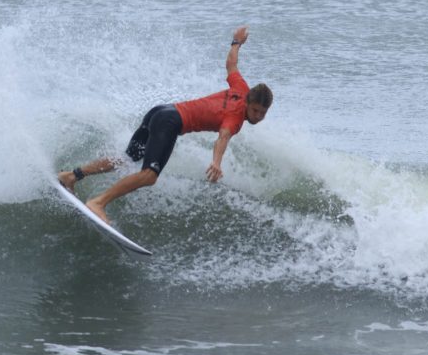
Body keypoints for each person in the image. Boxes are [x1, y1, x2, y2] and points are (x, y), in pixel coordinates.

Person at [58, 25, 273, 224]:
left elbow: (231, 64)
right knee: (149, 176)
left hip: (161, 111)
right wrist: (216, 162)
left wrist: (236, 42)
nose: (257, 116)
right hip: (170, 122)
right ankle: (98, 203)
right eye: (255, 110)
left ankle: (71, 175)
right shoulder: (236, 119)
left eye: (262, 113)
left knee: (126, 159)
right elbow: (223, 137)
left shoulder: (241, 87)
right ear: (248, 102)